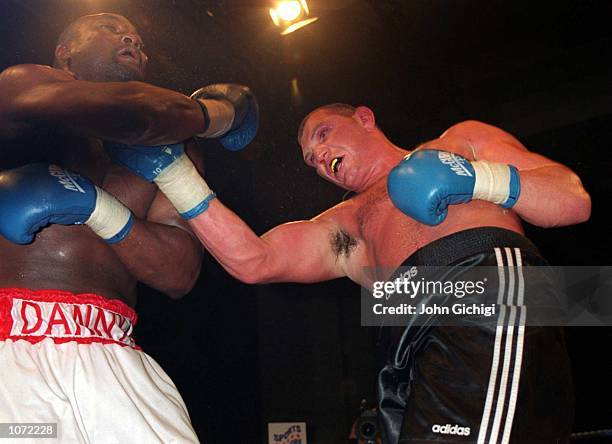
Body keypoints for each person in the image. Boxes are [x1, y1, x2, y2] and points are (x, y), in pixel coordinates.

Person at [107, 103, 591, 443]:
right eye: (311, 161)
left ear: (364, 118)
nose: (320, 158)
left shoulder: (459, 142)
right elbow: (253, 261)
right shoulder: (345, 224)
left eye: (323, 135)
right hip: (403, 335)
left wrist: (477, 178)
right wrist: (175, 174)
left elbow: (573, 199)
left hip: (487, 291)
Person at [0, 13, 257, 443]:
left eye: (138, 39)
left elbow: (179, 274)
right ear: (65, 53)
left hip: (115, 356)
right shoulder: (21, 85)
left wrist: (98, 209)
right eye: (110, 30)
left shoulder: (174, 149)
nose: (131, 40)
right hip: (10, 353)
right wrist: (220, 113)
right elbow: (136, 113)